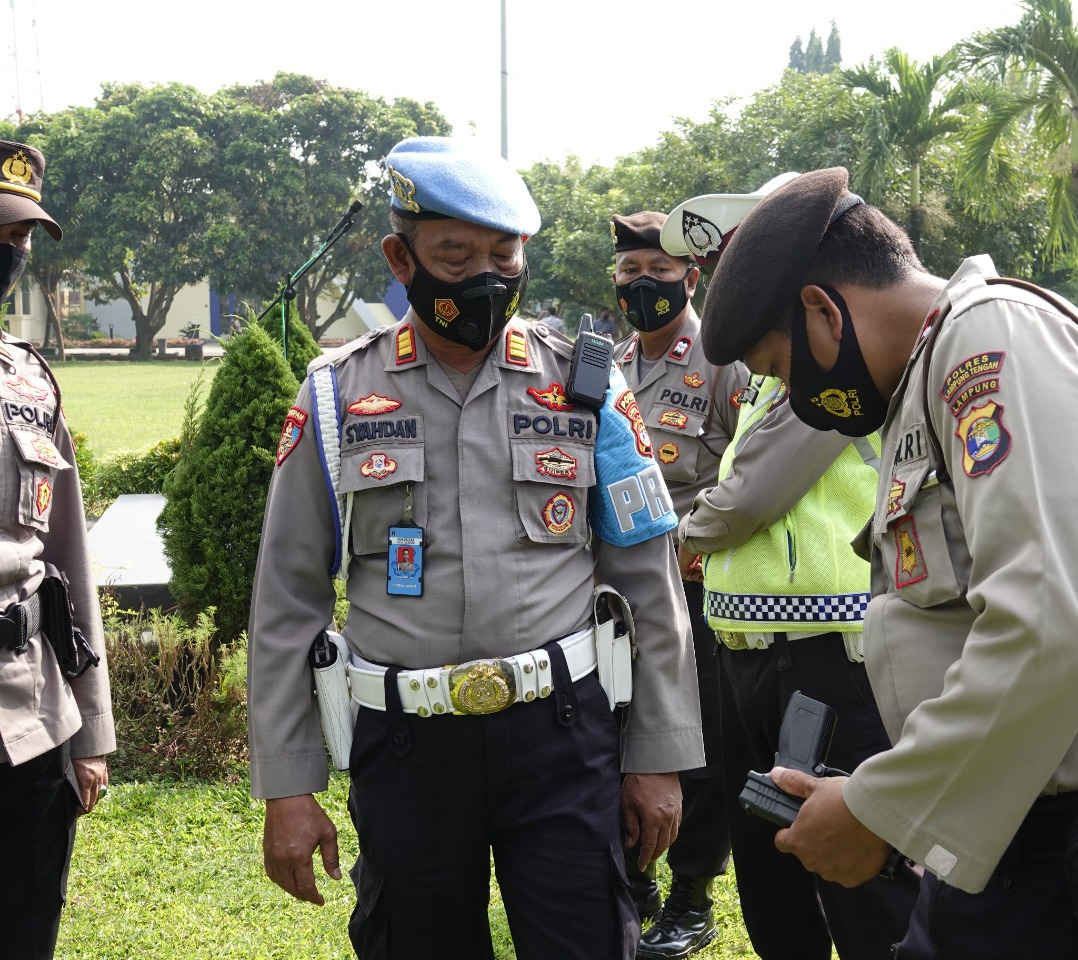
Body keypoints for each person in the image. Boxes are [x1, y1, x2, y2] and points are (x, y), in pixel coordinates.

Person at [695, 166, 1078, 959]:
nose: (795, 398)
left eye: (782, 369)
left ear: (820, 310)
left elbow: (1051, 624)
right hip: (1014, 839)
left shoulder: (991, 340)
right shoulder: (922, 383)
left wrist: (877, 808)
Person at [247, 136, 703, 960]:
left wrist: (659, 757)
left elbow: (647, 578)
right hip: (406, 744)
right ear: (400, 255)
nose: (484, 278)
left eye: (504, 253)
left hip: (562, 734)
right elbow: (288, 598)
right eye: (454, 254)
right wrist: (289, 784)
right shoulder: (337, 394)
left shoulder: (587, 383)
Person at [661, 181, 917, 959]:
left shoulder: (832, 370)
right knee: (772, 879)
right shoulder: (780, 371)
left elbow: (750, 496)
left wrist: (685, 534)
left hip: (824, 656)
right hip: (751, 650)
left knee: (862, 888)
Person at [609, 210, 747, 958]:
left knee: (701, 751)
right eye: (630, 274)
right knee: (620, 735)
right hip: (619, 598)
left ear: (688, 278)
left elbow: (750, 468)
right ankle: (635, 887)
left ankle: (692, 899)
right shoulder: (610, 366)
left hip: (698, 590)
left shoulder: (724, 361)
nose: (643, 286)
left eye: (657, 273)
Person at [0, 139, 115, 960]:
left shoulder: (28, 383)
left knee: (27, 931)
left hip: (30, 720)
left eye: (19, 241)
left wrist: (93, 728)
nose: (9, 256)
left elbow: (68, 562)